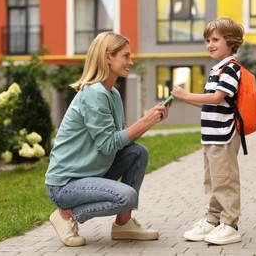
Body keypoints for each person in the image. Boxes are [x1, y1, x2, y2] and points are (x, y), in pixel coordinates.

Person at [45, 31, 171, 247]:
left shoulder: (112, 94)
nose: (130, 62)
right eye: (126, 56)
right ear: (107, 57)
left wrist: (150, 121)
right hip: (66, 184)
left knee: (138, 153)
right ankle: (66, 215)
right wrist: (145, 121)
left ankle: (124, 224)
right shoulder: (94, 93)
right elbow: (108, 144)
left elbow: (120, 142)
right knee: (126, 196)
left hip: (90, 174)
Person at [171, 18, 244, 245]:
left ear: (231, 42)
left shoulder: (231, 68)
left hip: (224, 134)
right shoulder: (217, 69)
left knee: (225, 180)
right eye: (207, 40)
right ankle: (213, 219)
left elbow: (216, 97)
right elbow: (209, 103)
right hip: (212, 135)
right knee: (211, 180)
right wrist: (184, 99)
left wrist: (186, 95)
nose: (209, 44)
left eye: (215, 40)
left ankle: (230, 223)